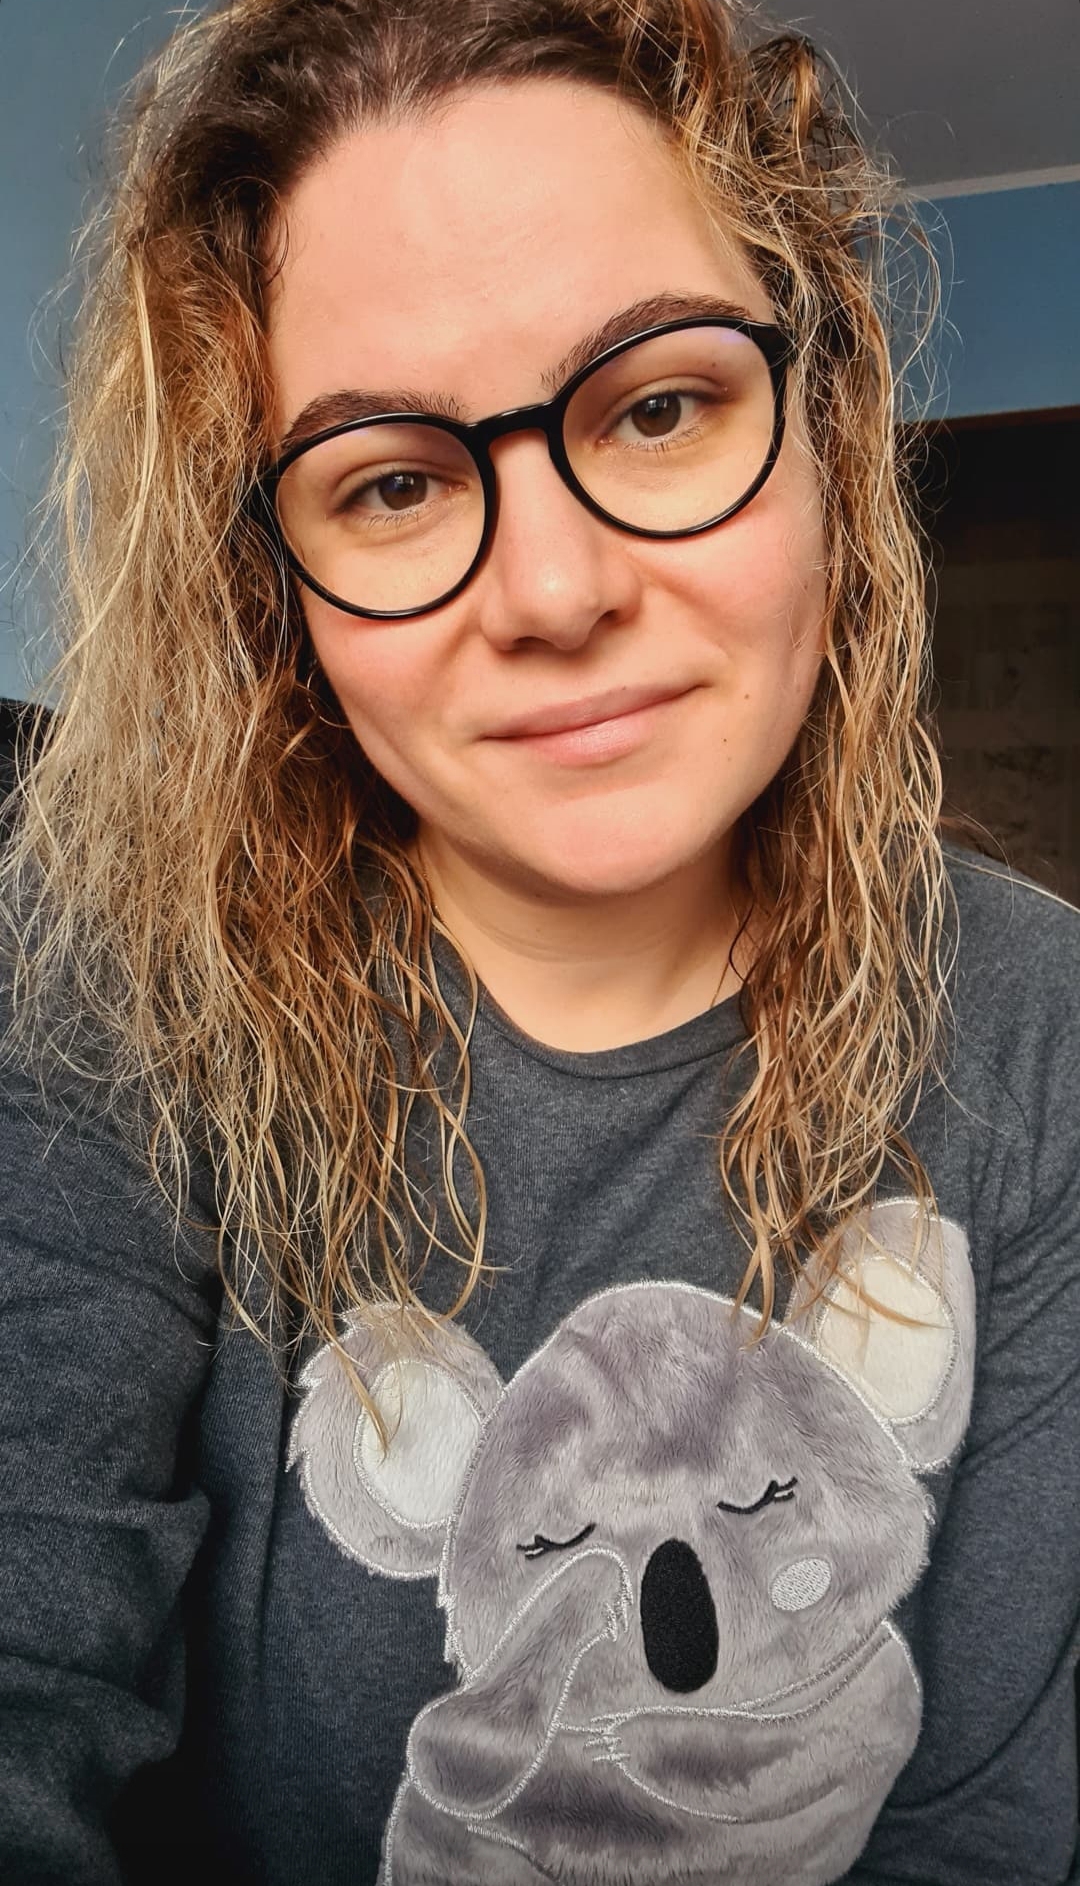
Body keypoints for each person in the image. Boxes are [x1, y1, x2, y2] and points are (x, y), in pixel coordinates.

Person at [0, 0, 1077, 1881]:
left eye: (658, 407)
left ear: (822, 428)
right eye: (394, 481)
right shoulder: (111, 993)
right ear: (274, 593)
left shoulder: (1041, 1028)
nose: (558, 589)